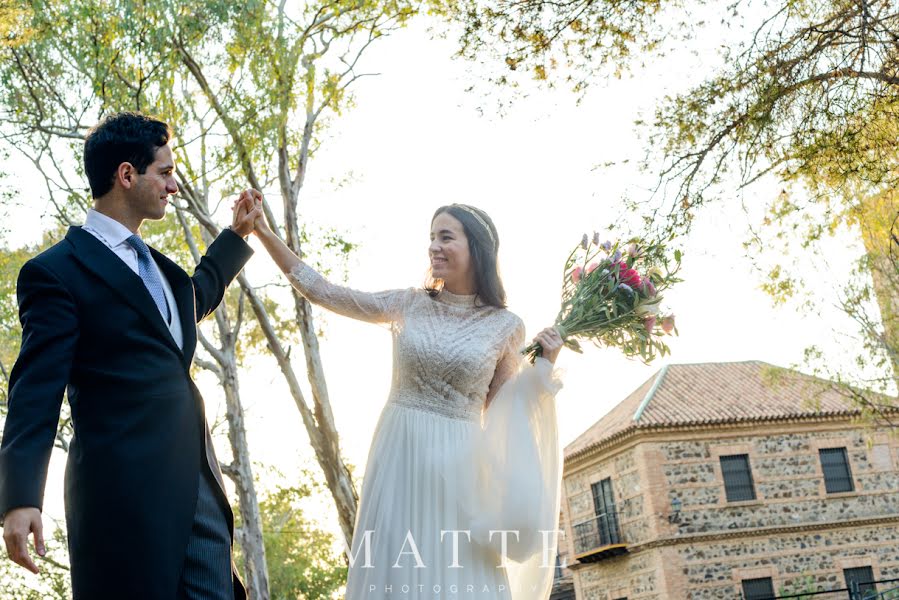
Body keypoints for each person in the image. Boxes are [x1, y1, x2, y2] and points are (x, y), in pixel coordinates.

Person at [245, 192, 565, 599]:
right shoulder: (408, 304)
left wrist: (544, 367)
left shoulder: (506, 326)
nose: (434, 246)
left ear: (476, 248)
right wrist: (263, 231)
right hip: (399, 453)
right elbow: (322, 291)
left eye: (446, 237)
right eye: (432, 237)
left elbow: (503, 410)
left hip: (461, 470)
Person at [0, 112, 262, 599]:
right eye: (164, 172)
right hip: (120, 501)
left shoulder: (162, 271)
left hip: (196, 485)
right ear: (126, 175)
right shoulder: (56, 273)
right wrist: (19, 497)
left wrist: (236, 236)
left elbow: (193, 299)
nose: (174, 186)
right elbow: (36, 388)